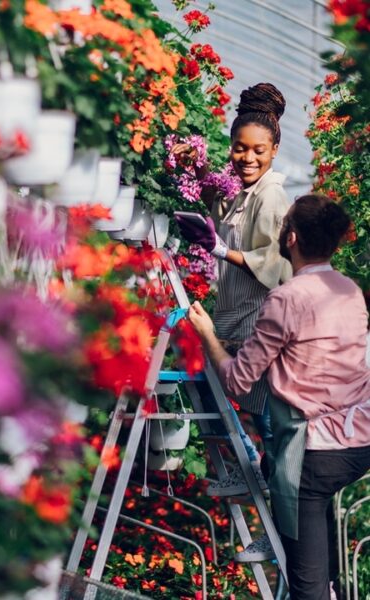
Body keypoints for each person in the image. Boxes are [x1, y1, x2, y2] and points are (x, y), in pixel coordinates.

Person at [188, 194, 370, 600]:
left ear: (289, 237)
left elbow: (237, 381)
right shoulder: (350, 291)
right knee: (322, 564)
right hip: (361, 442)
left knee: (307, 585)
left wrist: (209, 337)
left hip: (315, 454)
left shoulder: (287, 298)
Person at [173, 82, 292, 496]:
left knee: (274, 432)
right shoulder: (242, 192)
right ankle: (247, 475)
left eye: (259, 150)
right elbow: (218, 205)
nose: (248, 157)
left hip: (263, 327)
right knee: (216, 389)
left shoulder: (271, 196)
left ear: (274, 150)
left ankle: (288, 544)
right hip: (237, 319)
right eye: (240, 148)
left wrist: (222, 251)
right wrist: (194, 172)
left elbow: (275, 264)